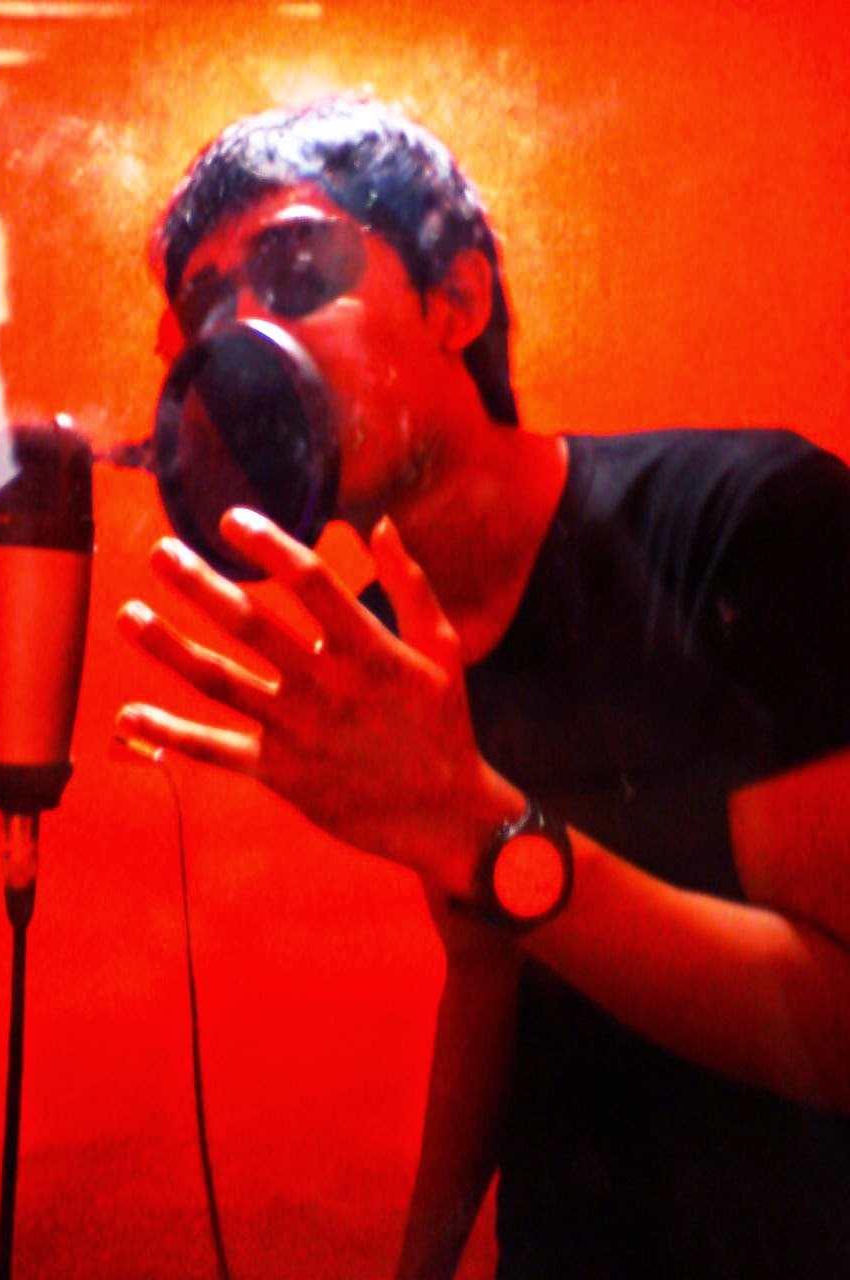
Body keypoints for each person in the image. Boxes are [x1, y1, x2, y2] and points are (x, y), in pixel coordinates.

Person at [114, 97, 850, 1278]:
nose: (246, 341)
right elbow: (486, 964)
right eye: (208, 310)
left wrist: (478, 827)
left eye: (298, 272)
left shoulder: (748, 519)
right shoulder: (384, 644)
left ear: (455, 299)